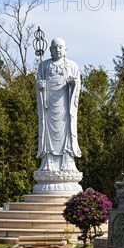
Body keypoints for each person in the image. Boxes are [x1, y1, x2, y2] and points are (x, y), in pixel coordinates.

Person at [36, 37, 81, 172]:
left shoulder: (72, 65)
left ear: (65, 49)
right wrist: (40, 86)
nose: (58, 49)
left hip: (65, 106)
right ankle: (49, 161)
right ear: (50, 50)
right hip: (48, 106)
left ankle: (67, 160)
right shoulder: (43, 66)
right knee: (48, 131)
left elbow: (77, 83)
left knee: (66, 130)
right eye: (55, 47)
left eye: (60, 47)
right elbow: (38, 83)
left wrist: (74, 84)